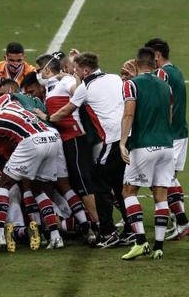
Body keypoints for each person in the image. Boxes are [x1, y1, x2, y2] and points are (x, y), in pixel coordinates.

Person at [47, 51, 132, 247]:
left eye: (76, 70)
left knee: (100, 185)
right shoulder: (114, 78)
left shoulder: (85, 87)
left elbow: (66, 110)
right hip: (129, 137)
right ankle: (130, 228)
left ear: (85, 70)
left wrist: (46, 118)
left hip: (113, 140)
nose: (74, 73)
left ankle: (109, 232)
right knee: (120, 185)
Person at [0, 95, 67, 251]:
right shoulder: (18, 109)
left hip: (31, 141)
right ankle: (55, 236)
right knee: (37, 188)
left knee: (4, 184)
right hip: (51, 139)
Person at [119, 46, 175, 261]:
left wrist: (123, 143)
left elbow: (128, 115)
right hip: (167, 147)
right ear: (154, 63)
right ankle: (159, 246)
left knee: (129, 191)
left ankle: (141, 242)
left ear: (136, 62)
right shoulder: (165, 86)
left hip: (144, 146)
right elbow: (169, 115)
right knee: (160, 194)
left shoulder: (130, 85)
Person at [37, 54, 98, 245]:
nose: (38, 74)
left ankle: (98, 225)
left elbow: (81, 92)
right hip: (65, 141)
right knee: (75, 183)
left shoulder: (66, 81)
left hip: (75, 139)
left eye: (39, 70)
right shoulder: (51, 86)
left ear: (47, 70)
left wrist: (73, 77)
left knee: (84, 183)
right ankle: (89, 223)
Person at [145, 36, 189, 240]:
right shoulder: (176, 71)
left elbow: (160, 101)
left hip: (169, 135)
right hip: (179, 132)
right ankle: (179, 220)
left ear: (157, 55)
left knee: (164, 180)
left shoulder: (162, 73)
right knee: (169, 178)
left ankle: (183, 222)